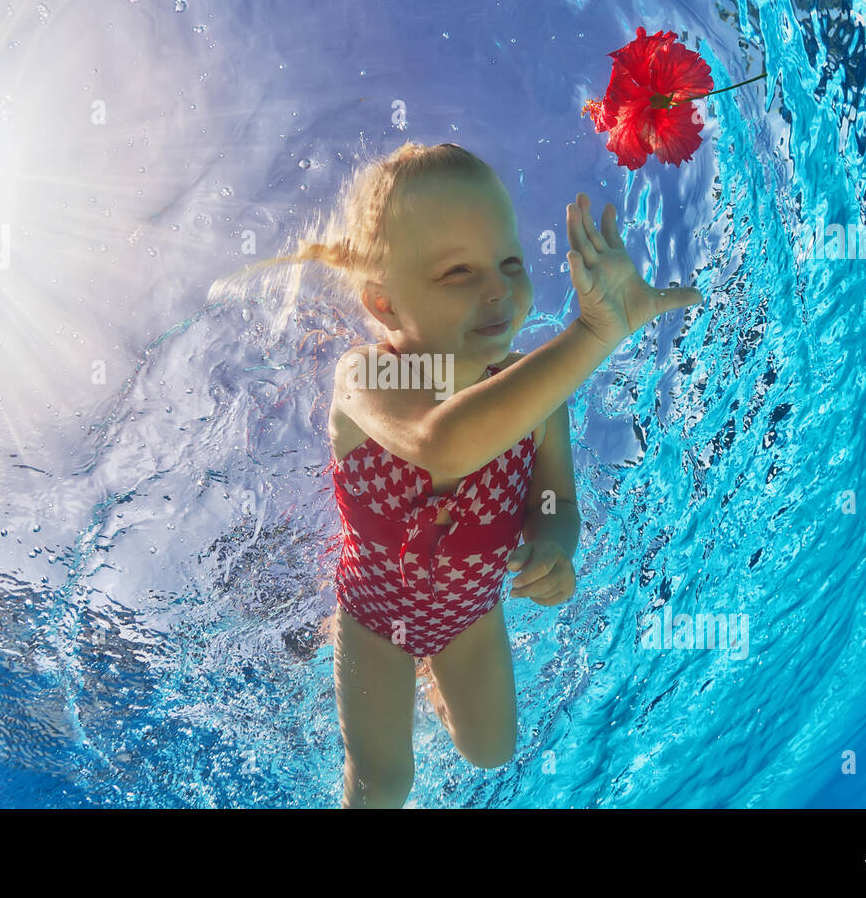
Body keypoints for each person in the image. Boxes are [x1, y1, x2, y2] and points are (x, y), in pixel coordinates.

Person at [211, 141, 703, 807]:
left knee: (491, 751)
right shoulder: (367, 375)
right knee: (386, 782)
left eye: (509, 263)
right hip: (376, 616)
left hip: (469, 612)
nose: (498, 289)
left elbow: (553, 496)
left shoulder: (531, 391)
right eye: (458, 274)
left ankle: (434, 679)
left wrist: (555, 547)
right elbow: (442, 444)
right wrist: (595, 333)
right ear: (383, 304)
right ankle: (342, 639)